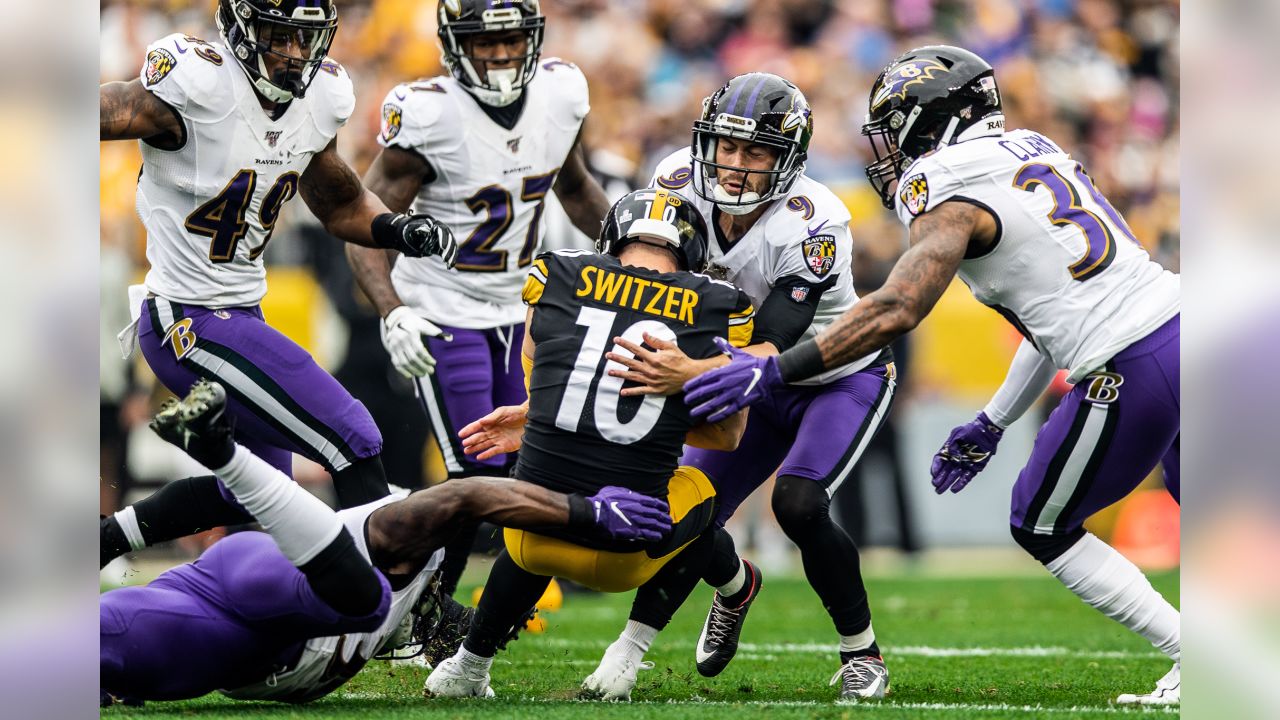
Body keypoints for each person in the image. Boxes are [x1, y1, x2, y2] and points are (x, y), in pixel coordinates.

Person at [684, 46, 1181, 706]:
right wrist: (994, 421)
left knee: (1040, 523)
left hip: (1133, 360)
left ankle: (1190, 652)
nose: (890, 150)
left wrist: (774, 371)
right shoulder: (1031, 147)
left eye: (896, 128)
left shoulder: (943, 182)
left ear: (933, 122)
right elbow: (1050, 320)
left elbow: (897, 307)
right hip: (1182, 323)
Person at [98, 0, 459, 569]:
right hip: (186, 317)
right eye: (278, 36)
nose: (294, 54)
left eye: (304, 39)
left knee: (261, 492)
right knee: (353, 435)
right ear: (242, 29)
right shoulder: (198, 85)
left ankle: (95, 545)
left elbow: (340, 203)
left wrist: (397, 227)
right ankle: (396, 607)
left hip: (241, 313)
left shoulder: (318, 99)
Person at [584, 73, 897, 701]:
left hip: (832, 374)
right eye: (725, 147)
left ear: (789, 157)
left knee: (799, 505)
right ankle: (656, 634)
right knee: (690, 507)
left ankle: (862, 654)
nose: (734, 165)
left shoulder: (815, 221)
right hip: (734, 370)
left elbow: (767, 348)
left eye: (754, 152)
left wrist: (681, 370)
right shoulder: (675, 183)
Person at [100, 380, 668, 706]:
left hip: (247, 618)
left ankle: (111, 535)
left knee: (114, 661)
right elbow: (466, 497)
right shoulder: (400, 540)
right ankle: (223, 453)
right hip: (271, 603)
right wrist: (586, 511)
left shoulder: (408, 567)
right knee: (365, 597)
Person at [422, 188, 755, 698]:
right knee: (703, 494)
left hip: (526, 536)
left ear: (612, 239)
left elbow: (544, 382)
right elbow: (729, 437)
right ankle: (628, 653)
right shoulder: (717, 306)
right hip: (623, 554)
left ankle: (468, 664)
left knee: (550, 486)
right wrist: (659, 415)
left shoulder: (555, 274)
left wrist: (546, 414)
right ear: (690, 256)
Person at [346, 0, 612, 597]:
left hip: (522, 313)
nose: (497, 53)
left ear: (534, 38)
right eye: (481, 41)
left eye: (511, 39)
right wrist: (394, 312)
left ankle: (478, 607)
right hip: (444, 311)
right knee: (474, 470)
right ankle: (423, 611)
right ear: (450, 44)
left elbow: (574, 188)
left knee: (530, 461)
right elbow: (362, 220)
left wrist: (649, 251)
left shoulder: (561, 94)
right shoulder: (429, 115)